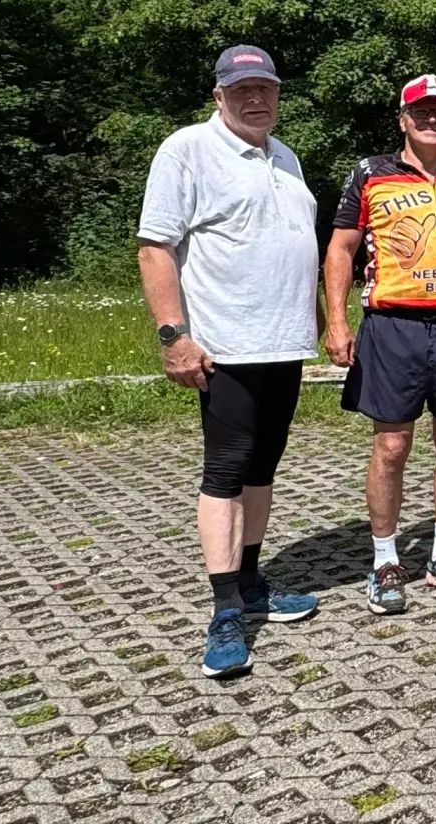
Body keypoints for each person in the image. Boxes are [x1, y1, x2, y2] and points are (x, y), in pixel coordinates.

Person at [137, 45, 322, 680]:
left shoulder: (286, 157)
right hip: (226, 349)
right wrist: (173, 335)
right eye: (241, 89)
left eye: (265, 88)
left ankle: (251, 583)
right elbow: (155, 246)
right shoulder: (186, 149)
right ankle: (223, 613)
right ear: (218, 95)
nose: (255, 99)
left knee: (262, 468)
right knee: (224, 471)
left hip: (283, 345)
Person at [323, 73, 436, 614]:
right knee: (392, 447)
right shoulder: (371, 174)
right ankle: (385, 559)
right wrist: (337, 323)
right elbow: (340, 249)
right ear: (403, 119)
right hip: (393, 325)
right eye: (421, 112)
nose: (432, 120)